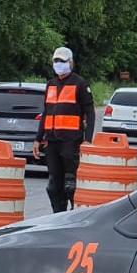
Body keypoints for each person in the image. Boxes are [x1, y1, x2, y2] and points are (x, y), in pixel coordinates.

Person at [34, 46, 96, 213]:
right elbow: (46, 112)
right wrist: (38, 138)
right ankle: (58, 216)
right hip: (52, 142)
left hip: (71, 142)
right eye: (56, 61)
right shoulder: (51, 84)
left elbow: (90, 113)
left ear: (70, 63)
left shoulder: (80, 84)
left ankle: (75, 215)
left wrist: (88, 139)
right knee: (54, 186)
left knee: (71, 186)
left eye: (62, 61)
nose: (58, 64)